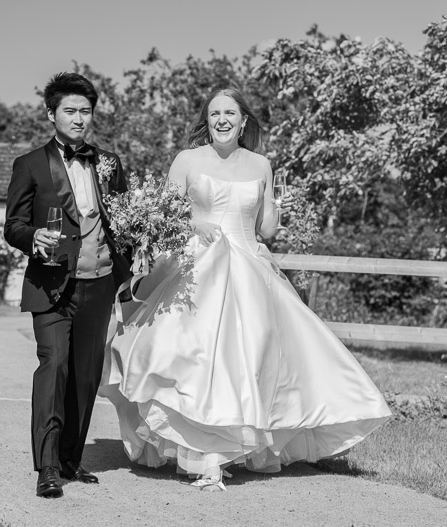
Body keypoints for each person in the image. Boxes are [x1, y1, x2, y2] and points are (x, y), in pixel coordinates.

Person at [99, 88, 392, 491]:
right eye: (214, 113)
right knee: (195, 356)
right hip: (198, 266)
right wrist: (194, 225)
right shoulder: (187, 160)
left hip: (249, 267)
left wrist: (281, 208)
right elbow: (163, 217)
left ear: (243, 122)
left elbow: (265, 229)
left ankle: (234, 446)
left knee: (253, 357)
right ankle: (205, 456)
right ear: (207, 121)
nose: (222, 120)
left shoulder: (261, 164)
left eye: (230, 113)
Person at [4, 72, 131, 498]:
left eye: (86, 111)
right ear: (51, 114)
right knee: (53, 365)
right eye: (70, 111)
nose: (79, 118)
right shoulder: (29, 165)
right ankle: (47, 467)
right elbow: (13, 225)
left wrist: (132, 262)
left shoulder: (110, 163)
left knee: (85, 376)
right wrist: (32, 236)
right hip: (51, 283)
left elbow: (124, 222)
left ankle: (71, 460)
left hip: (99, 283)